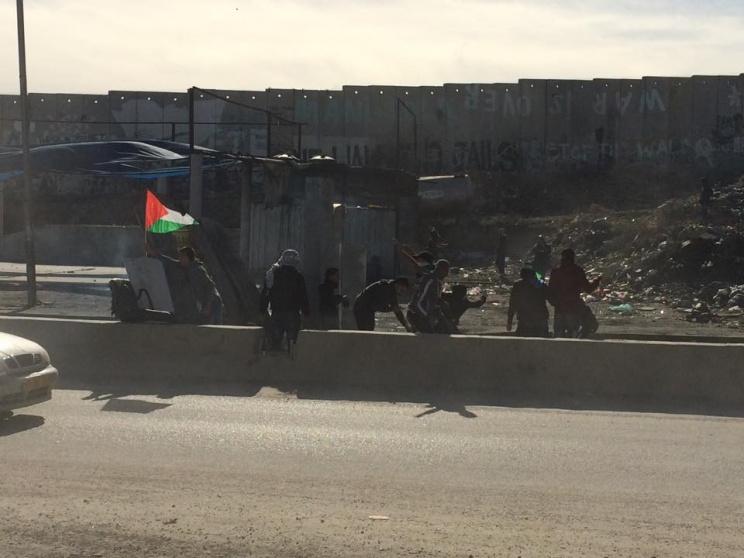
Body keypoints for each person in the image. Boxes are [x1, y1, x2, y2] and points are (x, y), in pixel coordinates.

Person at [147, 243, 223, 324]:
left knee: (213, 325)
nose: (180, 259)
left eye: (182, 257)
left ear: (189, 258)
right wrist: (154, 254)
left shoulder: (198, 270)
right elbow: (168, 261)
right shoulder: (178, 266)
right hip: (194, 307)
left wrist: (207, 305)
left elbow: (210, 287)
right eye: (179, 256)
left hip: (212, 303)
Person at [260, 249, 310, 349]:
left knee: (275, 342)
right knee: (292, 342)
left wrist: (262, 309)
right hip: (293, 314)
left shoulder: (272, 274)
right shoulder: (298, 277)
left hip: (276, 312)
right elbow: (303, 296)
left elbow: (266, 293)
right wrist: (306, 312)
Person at [547, 248, 600, 338]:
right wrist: (597, 281)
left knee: (559, 336)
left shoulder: (556, 272)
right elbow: (588, 289)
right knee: (589, 325)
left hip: (560, 308)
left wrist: (556, 303)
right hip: (573, 306)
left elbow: (550, 292)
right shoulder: (577, 271)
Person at [407, 259, 451, 334]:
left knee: (447, 330)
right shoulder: (430, 280)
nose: (447, 274)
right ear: (440, 269)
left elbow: (433, 298)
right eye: (446, 271)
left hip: (428, 313)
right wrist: (426, 316)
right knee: (430, 335)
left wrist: (441, 303)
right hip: (417, 314)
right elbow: (418, 302)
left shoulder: (437, 281)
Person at [507, 268, 549, 337]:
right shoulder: (540, 284)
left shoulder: (518, 285)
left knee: (524, 341)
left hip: (525, 319)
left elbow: (513, 304)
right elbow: (550, 297)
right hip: (540, 318)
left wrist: (509, 321)